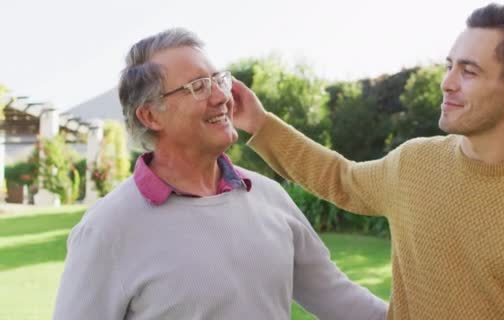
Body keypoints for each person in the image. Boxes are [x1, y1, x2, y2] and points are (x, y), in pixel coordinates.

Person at [231, 3, 504, 319]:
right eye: (450, 65)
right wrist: (260, 124)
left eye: (469, 71)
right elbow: (340, 177)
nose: (448, 82)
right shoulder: (415, 162)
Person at [53, 28, 387, 320]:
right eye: (198, 86)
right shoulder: (106, 231)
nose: (221, 97)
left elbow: (338, 299)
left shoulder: (268, 197)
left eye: (217, 80)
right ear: (151, 116)